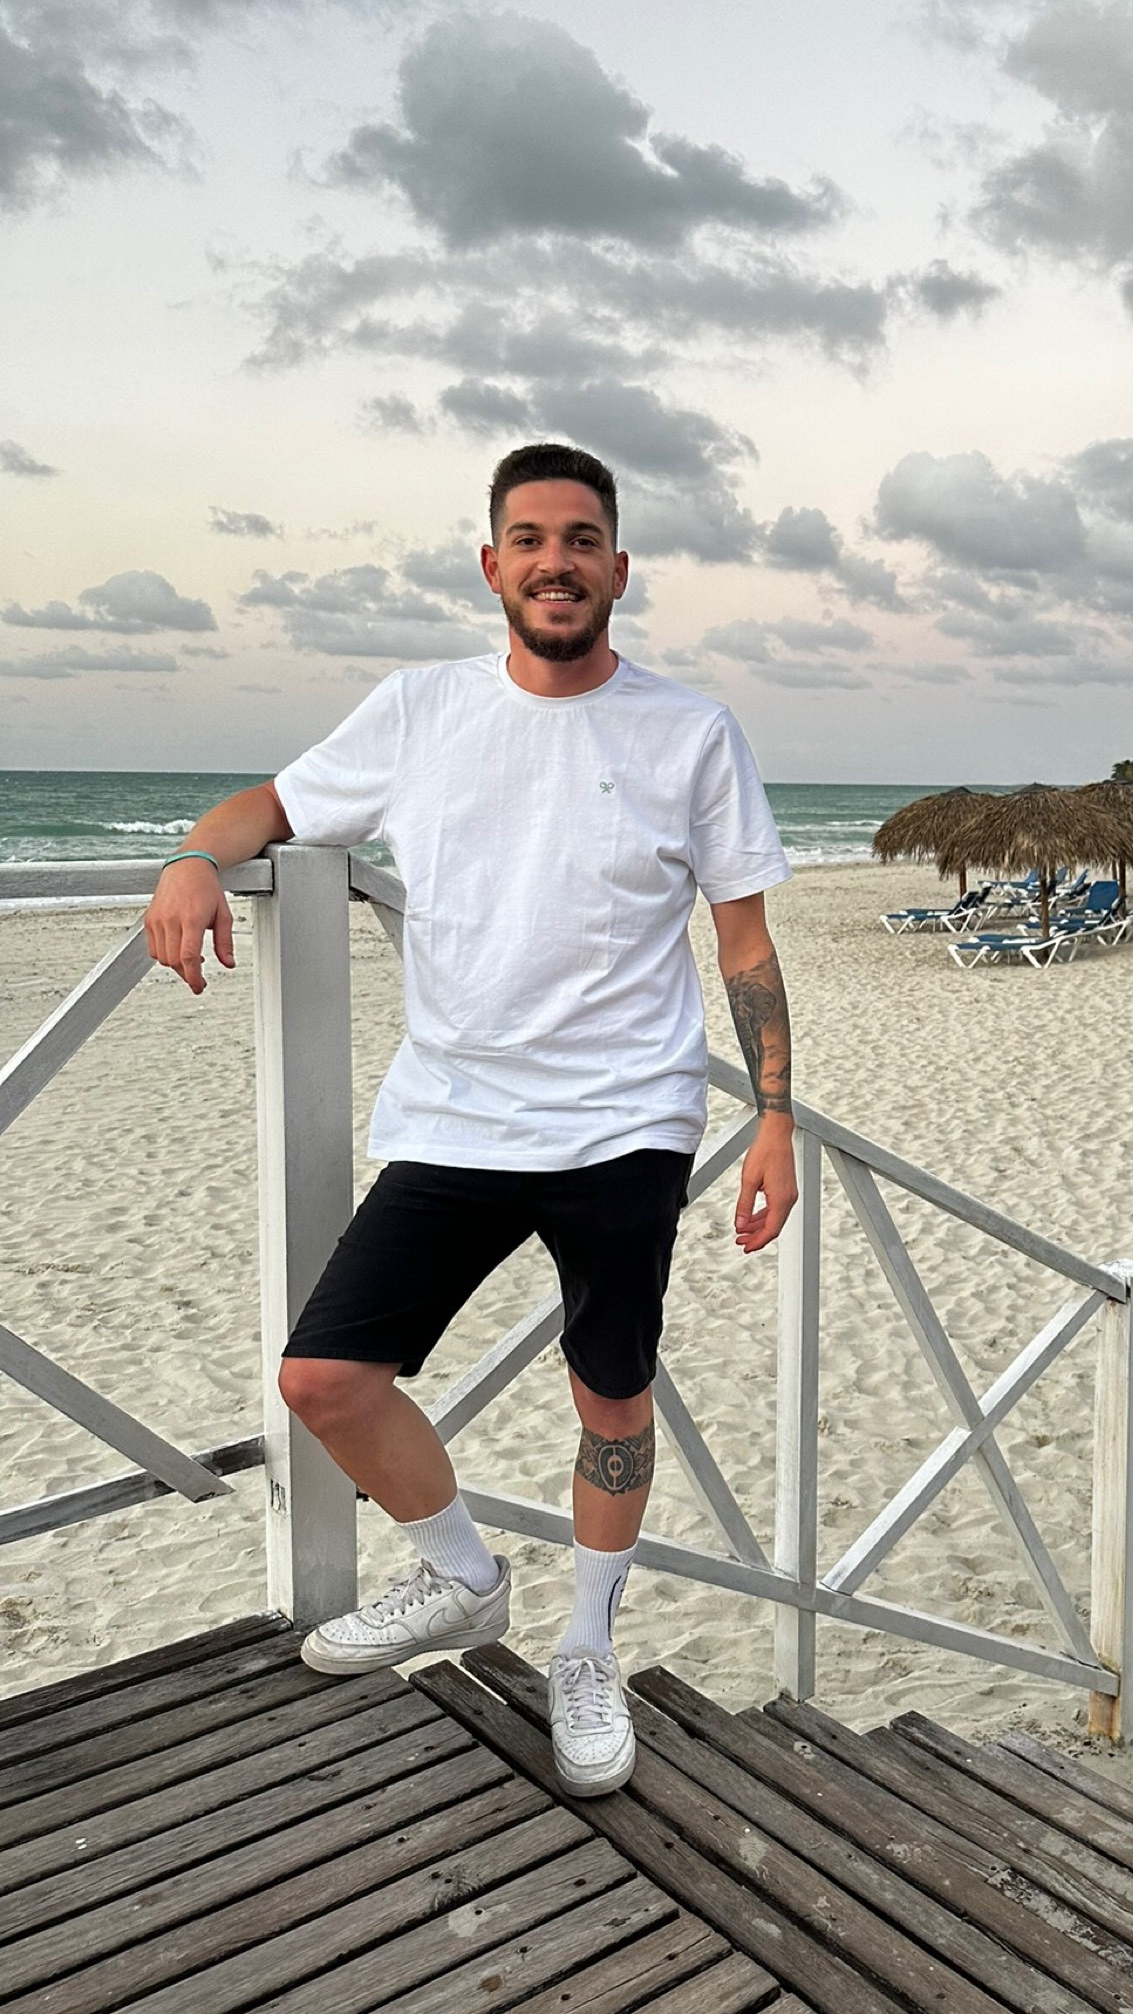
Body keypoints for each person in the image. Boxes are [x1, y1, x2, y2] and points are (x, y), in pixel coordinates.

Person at [145, 441, 796, 1795]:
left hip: (626, 1123)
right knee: (324, 1379)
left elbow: (743, 942)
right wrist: (198, 859)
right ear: (493, 565)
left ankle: (589, 1648)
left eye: (581, 540)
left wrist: (777, 1122)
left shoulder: (691, 732)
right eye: (531, 540)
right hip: (454, 1117)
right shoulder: (419, 708)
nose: (558, 563)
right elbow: (271, 805)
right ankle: (461, 1579)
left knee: (610, 1396)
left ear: (618, 568)